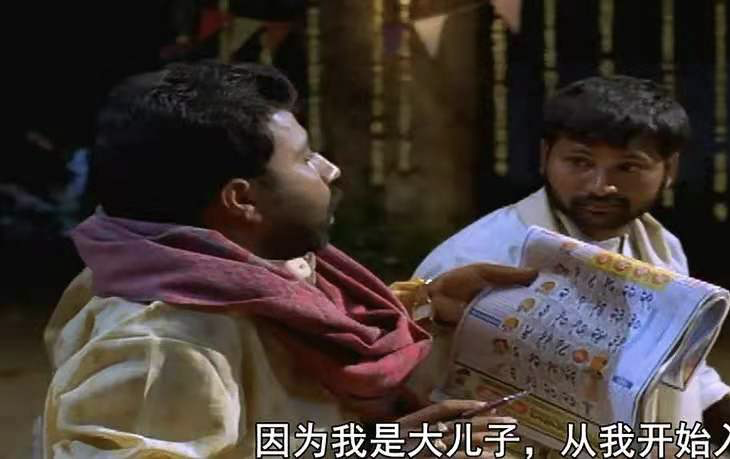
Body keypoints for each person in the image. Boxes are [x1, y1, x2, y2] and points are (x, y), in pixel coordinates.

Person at [39, 61, 537, 458]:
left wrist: (422, 304)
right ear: (242, 199)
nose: (329, 169)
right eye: (304, 158)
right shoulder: (162, 342)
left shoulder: (223, 274)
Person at [413, 75, 730, 455]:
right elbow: (407, 391)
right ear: (545, 156)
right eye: (580, 162)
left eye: (628, 167)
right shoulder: (475, 259)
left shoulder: (662, 248)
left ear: (669, 170)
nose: (600, 186)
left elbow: (684, 372)